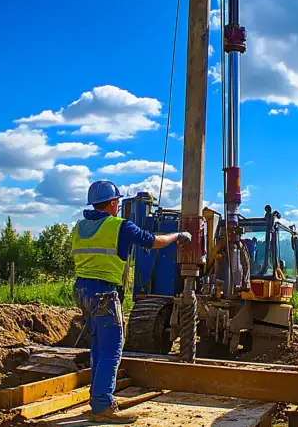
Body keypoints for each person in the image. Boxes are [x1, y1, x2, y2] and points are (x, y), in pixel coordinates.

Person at [72, 180, 192, 424]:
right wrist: (178, 236)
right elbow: (154, 242)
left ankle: (97, 401)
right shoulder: (120, 226)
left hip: (82, 291)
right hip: (103, 293)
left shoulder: (80, 226)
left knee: (98, 346)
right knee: (111, 348)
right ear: (114, 203)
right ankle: (103, 405)